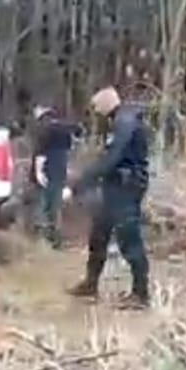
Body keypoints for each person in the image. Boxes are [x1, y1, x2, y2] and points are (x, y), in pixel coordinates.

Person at [69, 87, 150, 306]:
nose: (96, 113)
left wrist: (84, 180)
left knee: (129, 239)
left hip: (126, 187)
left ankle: (141, 294)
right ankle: (90, 284)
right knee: (99, 235)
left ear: (105, 105)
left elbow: (112, 158)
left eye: (97, 108)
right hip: (114, 186)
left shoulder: (124, 122)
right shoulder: (121, 121)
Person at [26, 104, 76, 247]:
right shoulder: (64, 128)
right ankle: (56, 238)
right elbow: (68, 149)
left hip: (46, 168)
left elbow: (40, 152)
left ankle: (43, 237)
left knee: (43, 203)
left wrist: (38, 172)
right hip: (59, 168)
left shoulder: (44, 128)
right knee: (56, 204)